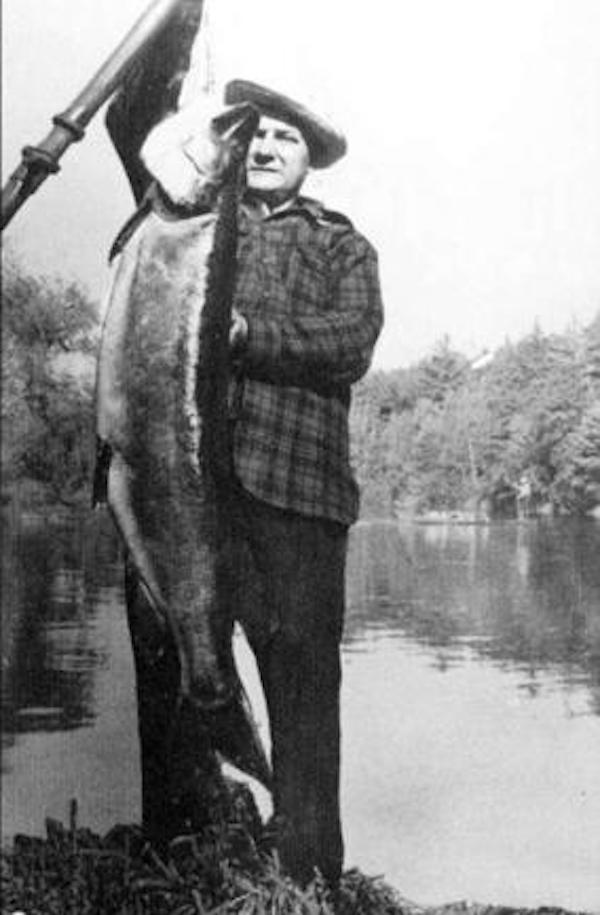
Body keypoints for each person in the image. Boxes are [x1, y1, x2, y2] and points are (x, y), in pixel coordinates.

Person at [220, 79, 384, 888]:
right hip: (198, 491)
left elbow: (351, 339)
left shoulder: (341, 245)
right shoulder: (194, 229)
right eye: (253, 134)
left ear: (309, 160)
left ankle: (309, 877)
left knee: (305, 689)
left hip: (301, 497)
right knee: (178, 670)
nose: (264, 148)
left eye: (285, 138)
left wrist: (252, 337)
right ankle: (187, 848)